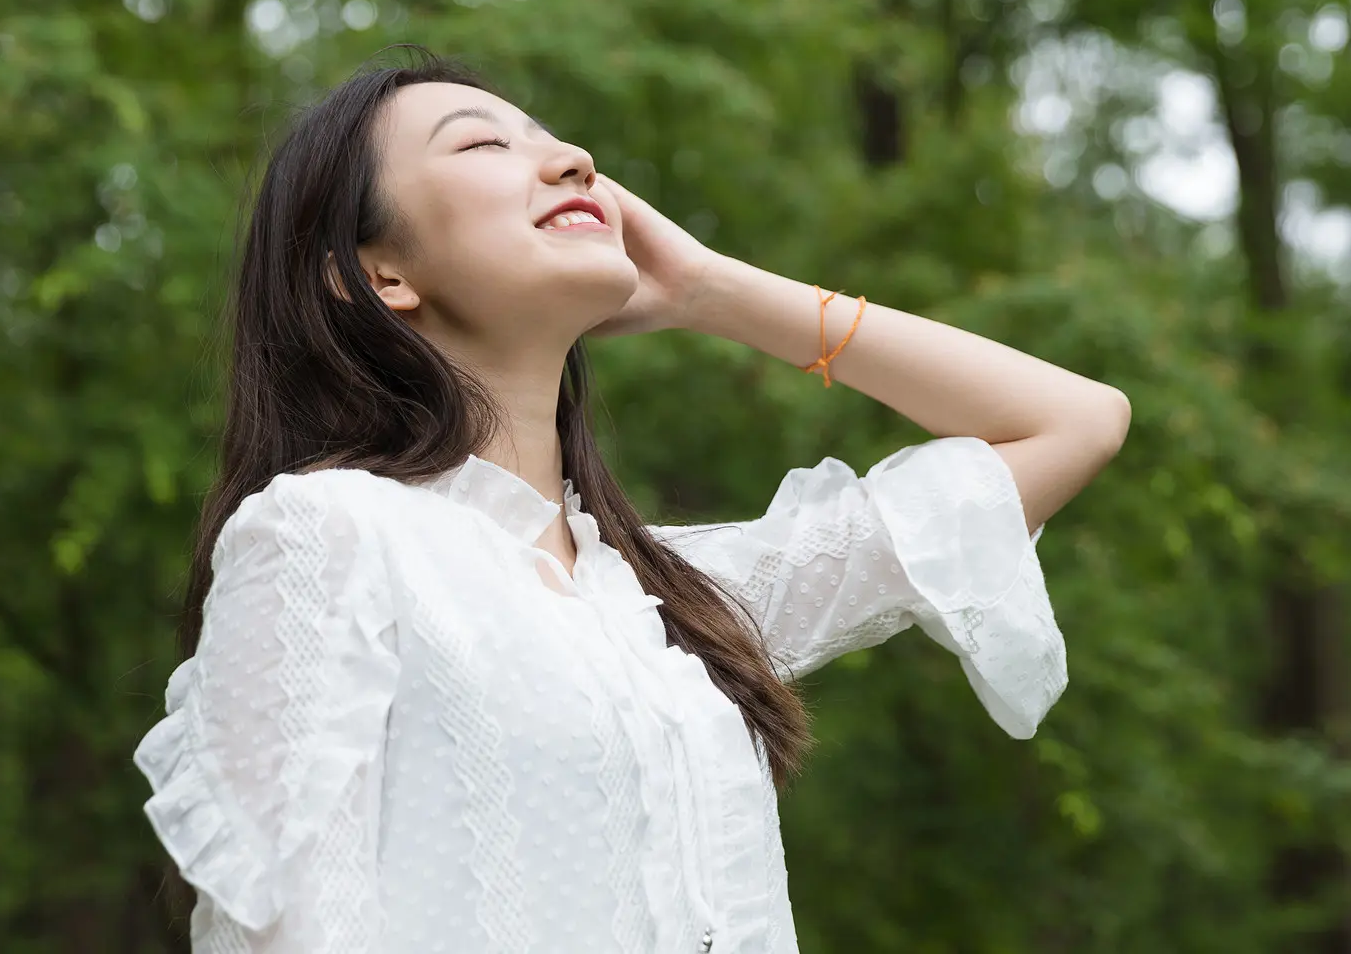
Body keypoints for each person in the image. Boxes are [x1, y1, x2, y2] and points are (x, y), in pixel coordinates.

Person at [134, 51, 1130, 953]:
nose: (571, 158)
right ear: (377, 273)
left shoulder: (677, 602)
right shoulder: (327, 534)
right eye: (484, 141)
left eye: (555, 140)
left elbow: (1075, 420)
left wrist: (710, 288)